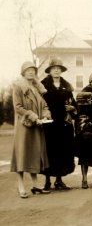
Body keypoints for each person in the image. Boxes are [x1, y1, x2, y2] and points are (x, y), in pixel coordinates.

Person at [10, 61, 52, 198]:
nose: (31, 72)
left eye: (33, 70)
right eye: (28, 70)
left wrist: (45, 115)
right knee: (22, 155)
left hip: (37, 127)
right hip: (24, 127)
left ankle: (35, 185)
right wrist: (34, 117)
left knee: (34, 154)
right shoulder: (18, 87)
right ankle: (21, 186)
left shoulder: (36, 88)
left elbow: (44, 105)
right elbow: (18, 107)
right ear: (23, 72)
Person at [41, 58, 77, 190]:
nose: (56, 70)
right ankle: (47, 181)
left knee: (63, 151)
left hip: (64, 125)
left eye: (59, 68)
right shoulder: (43, 86)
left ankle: (59, 180)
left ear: (61, 70)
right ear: (49, 70)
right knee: (49, 151)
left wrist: (73, 109)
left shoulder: (66, 87)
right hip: (49, 125)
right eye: (53, 68)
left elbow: (73, 103)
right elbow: (39, 104)